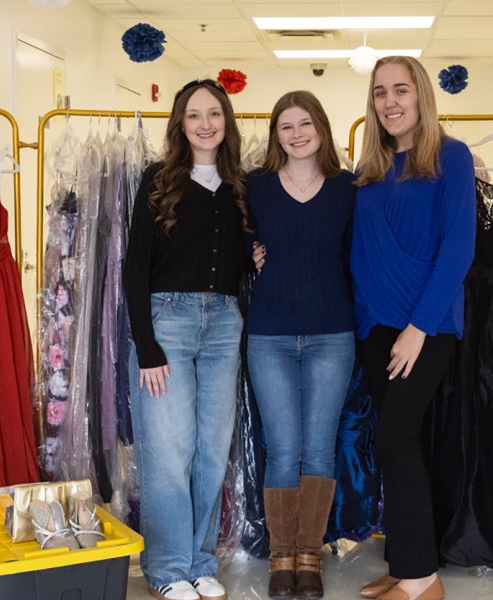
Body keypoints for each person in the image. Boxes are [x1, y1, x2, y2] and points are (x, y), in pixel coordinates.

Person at [351, 56, 475, 600]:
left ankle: (424, 578)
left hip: (424, 326)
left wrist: (419, 328)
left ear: (422, 95)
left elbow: (459, 248)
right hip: (374, 325)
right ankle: (405, 563)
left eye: (401, 89)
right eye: (380, 93)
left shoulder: (452, 157)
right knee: (400, 444)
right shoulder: (368, 170)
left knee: (398, 437)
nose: (390, 101)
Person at [124, 78, 250, 600]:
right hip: (167, 323)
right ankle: (167, 570)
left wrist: (254, 257)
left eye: (214, 114)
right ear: (180, 123)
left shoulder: (240, 184)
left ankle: (201, 563)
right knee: (168, 451)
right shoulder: (158, 181)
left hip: (224, 325)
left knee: (210, 452)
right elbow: (135, 270)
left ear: (226, 121)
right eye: (194, 115)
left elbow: (232, 263)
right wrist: (146, 347)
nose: (205, 124)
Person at [244, 90, 356, 600]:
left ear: (322, 129)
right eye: (285, 126)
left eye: (305, 123)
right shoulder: (254, 186)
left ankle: (309, 557)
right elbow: (229, 239)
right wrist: (251, 253)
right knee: (283, 448)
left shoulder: (349, 187)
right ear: (275, 135)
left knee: (318, 447)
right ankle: (281, 557)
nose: (296, 134)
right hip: (269, 335)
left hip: (333, 333)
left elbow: (362, 256)